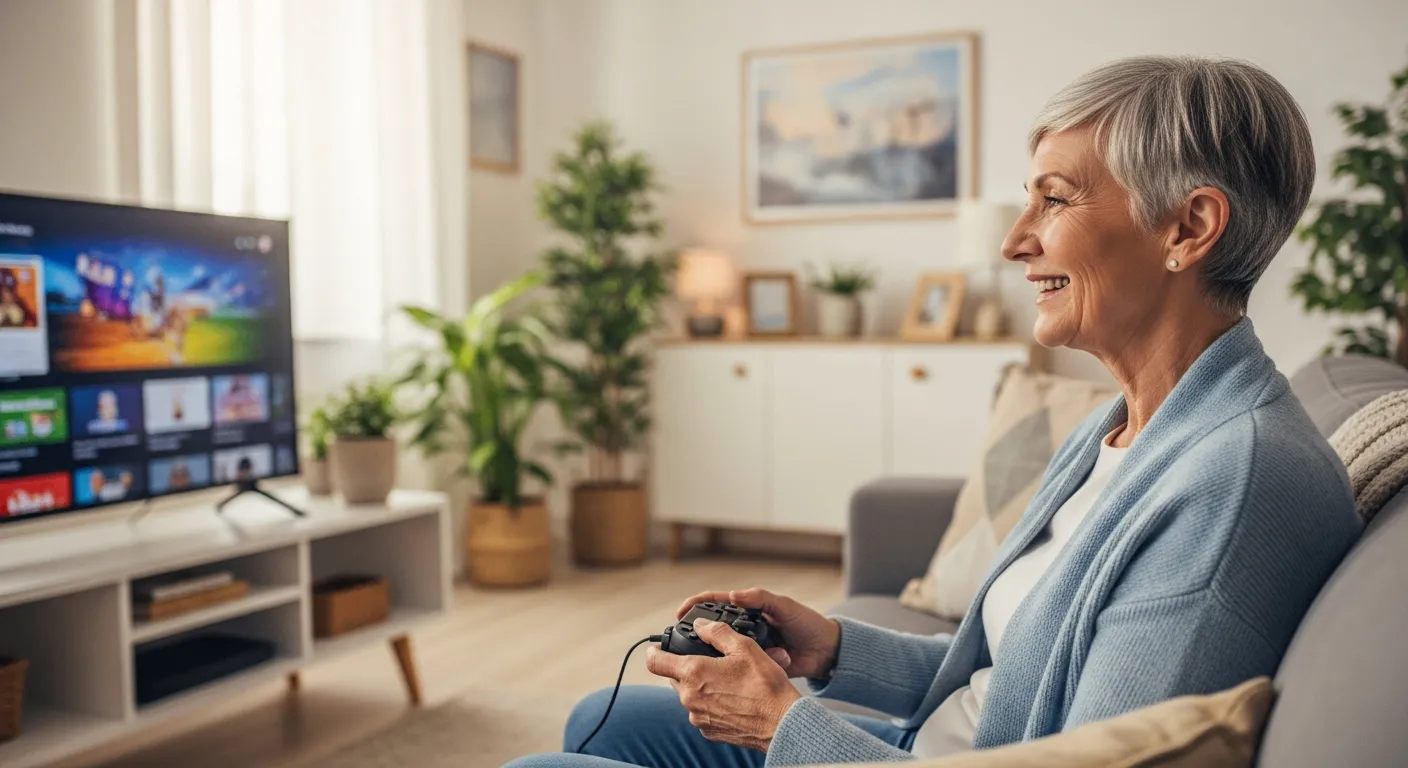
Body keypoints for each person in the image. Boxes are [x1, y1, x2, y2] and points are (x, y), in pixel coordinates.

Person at [507, 56, 1364, 768]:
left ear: (1189, 228)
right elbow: (1003, 678)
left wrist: (782, 726)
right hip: (926, 747)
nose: (1015, 240)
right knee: (602, 719)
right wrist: (831, 647)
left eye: (1055, 199)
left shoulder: (1232, 485)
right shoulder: (1123, 429)